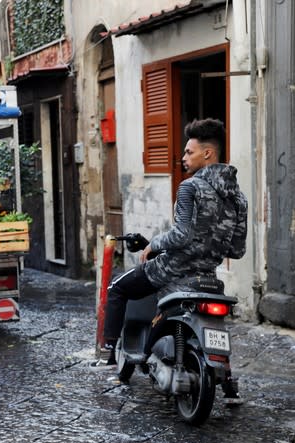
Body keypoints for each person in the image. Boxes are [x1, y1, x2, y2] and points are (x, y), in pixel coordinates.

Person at [102, 118, 247, 397]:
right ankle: (227, 383)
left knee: (117, 289)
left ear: (207, 153)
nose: (183, 158)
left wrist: (153, 245)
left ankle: (108, 354)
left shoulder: (190, 187)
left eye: (188, 152)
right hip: (207, 277)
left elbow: (180, 235)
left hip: (172, 269)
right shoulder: (238, 197)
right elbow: (236, 250)